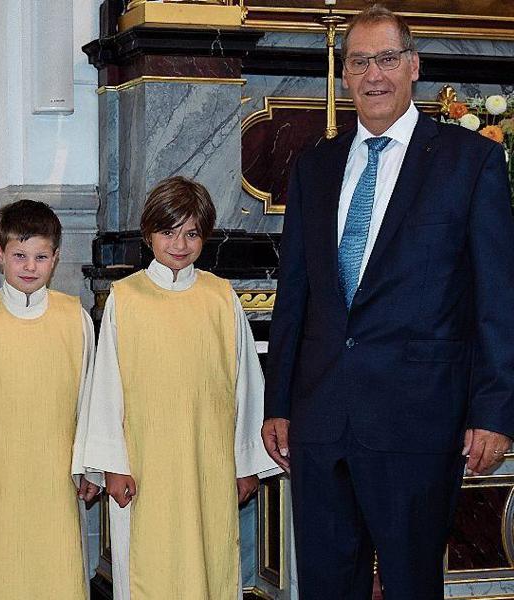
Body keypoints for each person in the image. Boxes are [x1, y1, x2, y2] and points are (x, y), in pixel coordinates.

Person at [262, 6, 514, 598]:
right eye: (359, 61)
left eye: (387, 58)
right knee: (325, 585)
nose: (374, 74)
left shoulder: (468, 162)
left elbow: (497, 299)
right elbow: (294, 291)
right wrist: (279, 401)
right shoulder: (315, 166)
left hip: (418, 420)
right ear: (344, 74)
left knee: (409, 586)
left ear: (413, 66)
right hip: (321, 419)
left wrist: (495, 411)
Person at [83, 176, 277, 600]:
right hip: (145, 465)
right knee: (150, 568)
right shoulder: (126, 297)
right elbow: (106, 388)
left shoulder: (220, 297)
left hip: (209, 463)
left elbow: (245, 385)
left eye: (191, 233)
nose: (180, 244)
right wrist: (112, 464)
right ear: (149, 233)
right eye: (168, 231)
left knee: (209, 563)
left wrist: (245, 462)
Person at [0, 200, 97, 599]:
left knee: (58, 573)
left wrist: (88, 465)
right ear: (0, 255)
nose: (29, 267)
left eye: (40, 256)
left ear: (56, 259)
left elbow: (89, 400)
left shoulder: (75, 318)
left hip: (55, 478)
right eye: (19, 255)